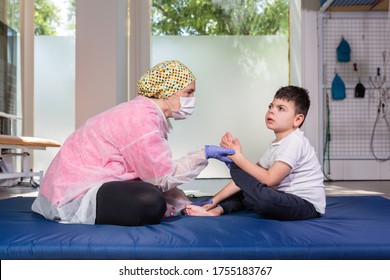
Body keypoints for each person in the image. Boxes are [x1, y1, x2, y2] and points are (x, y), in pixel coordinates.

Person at [31, 60, 234, 226]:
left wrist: (184, 203)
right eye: (188, 92)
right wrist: (203, 154)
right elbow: (161, 178)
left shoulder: (143, 112)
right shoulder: (142, 119)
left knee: (157, 195)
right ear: (166, 91)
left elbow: (153, 174)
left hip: (69, 186)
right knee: (150, 201)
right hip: (72, 195)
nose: (192, 99)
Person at [185, 86, 326, 221]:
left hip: (305, 205)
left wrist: (236, 158)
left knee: (262, 198)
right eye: (271, 106)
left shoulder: (294, 142)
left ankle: (231, 171)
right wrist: (213, 200)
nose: (272, 111)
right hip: (283, 198)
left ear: (298, 119)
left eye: (281, 109)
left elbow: (270, 179)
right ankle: (217, 210)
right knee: (247, 189)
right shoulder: (276, 145)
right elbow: (248, 178)